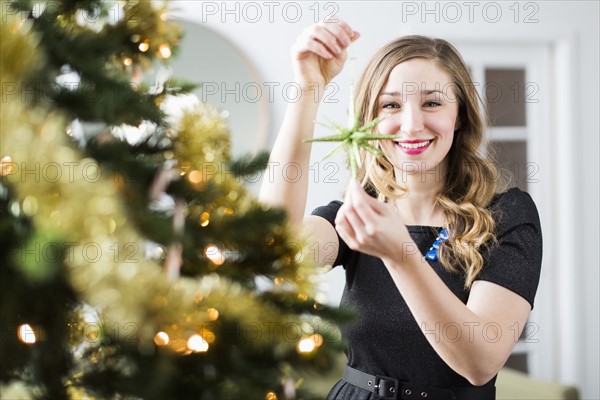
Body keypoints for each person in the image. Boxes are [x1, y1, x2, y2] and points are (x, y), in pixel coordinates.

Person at [259, 17, 542, 400]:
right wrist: (308, 88)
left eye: (432, 102)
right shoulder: (358, 216)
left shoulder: (506, 215)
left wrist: (400, 255)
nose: (410, 125)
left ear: (459, 115)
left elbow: (480, 363)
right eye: (391, 104)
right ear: (370, 121)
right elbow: (272, 245)